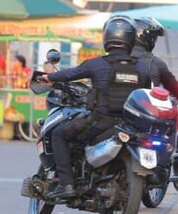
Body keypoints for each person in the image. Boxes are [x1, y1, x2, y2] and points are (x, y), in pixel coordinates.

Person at [37, 17, 151, 199]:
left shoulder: (97, 64)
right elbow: (147, 93)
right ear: (130, 40)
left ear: (107, 38)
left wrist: (49, 78)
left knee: (59, 134)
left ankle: (66, 185)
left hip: (101, 122)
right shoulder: (142, 68)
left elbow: (70, 74)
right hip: (131, 125)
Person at [130, 17, 178, 97]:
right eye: (154, 38)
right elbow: (177, 92)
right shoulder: (156, 63)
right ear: (148, 39)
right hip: (145, 108)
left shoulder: (110, 61)